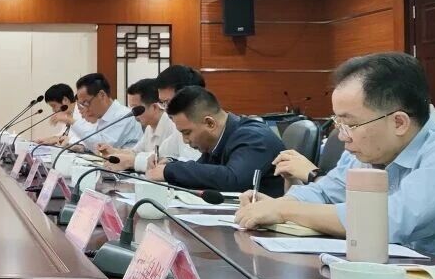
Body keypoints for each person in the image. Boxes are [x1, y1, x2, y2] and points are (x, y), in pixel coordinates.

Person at [236, 53, 435, 271]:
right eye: (338, 122)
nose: (342, 136)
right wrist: (274, 204)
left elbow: (385, 223)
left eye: (349, 123)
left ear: (398, 122)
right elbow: (327, 191)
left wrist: (286, 210)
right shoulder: (370, 149)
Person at [147, 86, 285, 195]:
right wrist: (170, 164)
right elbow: (203, 175)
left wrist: (171, 170)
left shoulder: (253, 137)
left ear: (210, 123)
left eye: (187, 133)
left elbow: (233, 180)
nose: (185, 140)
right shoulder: (219, 140)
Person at [101, 78, 195, 173]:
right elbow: (135, 152)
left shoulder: (173, 125)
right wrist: (114, 152)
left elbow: (160, 158)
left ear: (154, 107)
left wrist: (132, 161)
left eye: (136, 109)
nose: (133, 114)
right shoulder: (149, 127)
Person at [64, 73, 141, 152]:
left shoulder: (123, 116)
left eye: (86, 103)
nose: (86, 109)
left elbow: (102, 147)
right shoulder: (101, 116)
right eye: (82, 104)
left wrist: (72, 121)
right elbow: (95, 142)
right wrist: (82, 147)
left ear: (102, 95)